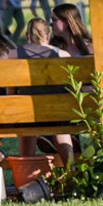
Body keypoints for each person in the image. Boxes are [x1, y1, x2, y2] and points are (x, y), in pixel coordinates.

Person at [15, 18, 74, 163]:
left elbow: (11, 91)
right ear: (48, 36)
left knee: (26, 125)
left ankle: (26, 170)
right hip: (57, 114)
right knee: (61, 127)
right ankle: (71, 169)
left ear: (27, 36)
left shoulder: (13, 55)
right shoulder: (63, 55)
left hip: (27, 113)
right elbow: (71, 88)